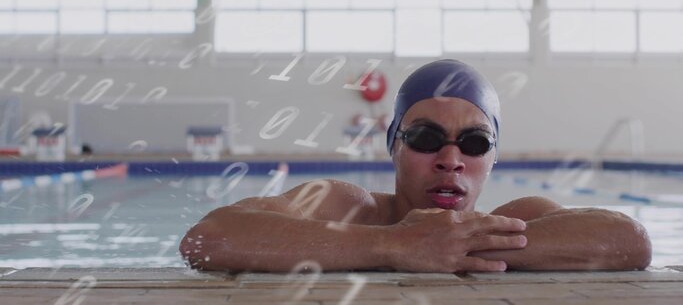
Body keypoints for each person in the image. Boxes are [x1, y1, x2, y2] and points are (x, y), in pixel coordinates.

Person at [180, 59, 652, 273]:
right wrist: (394, 244)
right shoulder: (345, 206)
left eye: (474, 142)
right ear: (393, 146)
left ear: (493, 157)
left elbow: (629, 240)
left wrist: (454, 245)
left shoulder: (518, 217)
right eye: (427, 138)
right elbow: (207, 238)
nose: (451, 160)